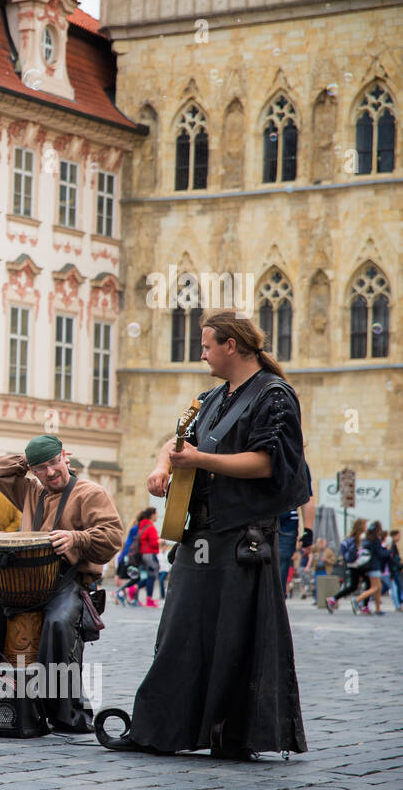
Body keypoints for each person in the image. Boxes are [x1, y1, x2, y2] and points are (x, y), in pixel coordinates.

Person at [101, 311, 308, 759]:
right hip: (200, 533)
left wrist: (199, 462)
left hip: (243, 537)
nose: (202, 353)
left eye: (207, 344)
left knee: (233, 637)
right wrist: (162, 467)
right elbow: (177, 443)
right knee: (180, 630)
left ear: (231, 345)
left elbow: (268, 463)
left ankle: (231, 736)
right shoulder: (211, 397)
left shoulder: (275, 397)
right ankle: (161, 730)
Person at [0, 435, 122, 732]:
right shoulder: (31, 490)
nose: (51, 472)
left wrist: (76, 538)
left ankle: (61, 710)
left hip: (68, 583)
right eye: (41, 468)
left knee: (58, 623)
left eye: (54, 462)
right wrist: (28, 460)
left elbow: (113, 537)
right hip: (22, 583)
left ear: (64, 458)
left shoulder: (90, 492)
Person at [328, 518, 368, 612]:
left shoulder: (351, 537)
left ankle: (333, 599)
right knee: (369, 584)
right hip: (359, 564)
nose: (366, 527)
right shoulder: (361, 537)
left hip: (352, 564)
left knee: (353, 586)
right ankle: (362, 605)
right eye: (365, 525)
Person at [354, 522, 390, 616]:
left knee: (378, 588)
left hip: (369, 566)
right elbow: (380, 554)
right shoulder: (376, 540)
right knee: (375, 587)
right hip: (375, 566)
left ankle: (378, 609)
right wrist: (387, 550)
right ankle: (357, 600)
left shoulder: (366, 540)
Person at [136, 507, 161, 609]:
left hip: (145, 554)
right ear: (152, 515)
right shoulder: (150, 527)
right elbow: (154, 543)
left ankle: (136, 589)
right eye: (156, 514)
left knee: (151, 576)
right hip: (150, 553)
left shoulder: (144, 526)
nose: (157, 516)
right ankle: (148, 599)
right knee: (152, 576)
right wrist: (161, 541)